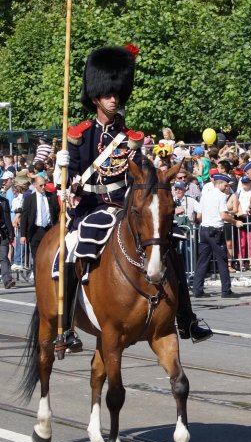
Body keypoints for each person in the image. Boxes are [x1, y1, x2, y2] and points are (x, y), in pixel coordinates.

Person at [54, 45, 212, 350]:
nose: (114, 98)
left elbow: (139, 175)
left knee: (170, 244)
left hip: (125, 207)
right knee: (74, 247)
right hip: (90, 207)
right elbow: (70, 181)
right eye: (108, 93)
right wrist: (62, 171)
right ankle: (66, 326)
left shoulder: (131, 139)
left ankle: (187, 317)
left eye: (117, 93)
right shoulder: (79, 134)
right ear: (96, 96)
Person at [192, 173, 243, 298]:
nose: (227, 188)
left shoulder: (205, 196)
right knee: (222, 260)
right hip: (215, 231)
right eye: (226, 185)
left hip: (204, 230)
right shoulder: (221, 196)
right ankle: (226, 290)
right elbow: (223, 216)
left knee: (202, 261)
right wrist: (235, 221)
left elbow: (199, 215)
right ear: (219, 183)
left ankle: (197, 289)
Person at [19, 175, 59, 278]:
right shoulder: (29, 199)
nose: (43, 187)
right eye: (41, 185)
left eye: (44, 185)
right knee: (37, 258)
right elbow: (24, 217)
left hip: (49, 231)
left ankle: (49, 279)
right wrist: (23, 235)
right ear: (34, 184)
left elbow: (57, 213)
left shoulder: (52, 197)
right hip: (36, 231)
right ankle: (38, 281)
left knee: (50, 256)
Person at [0, 186, 15, 289]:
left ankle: (7, 280)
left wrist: (11, 233)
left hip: (3, 234)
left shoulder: (4, 201)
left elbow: (7, 219)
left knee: (4, 257)